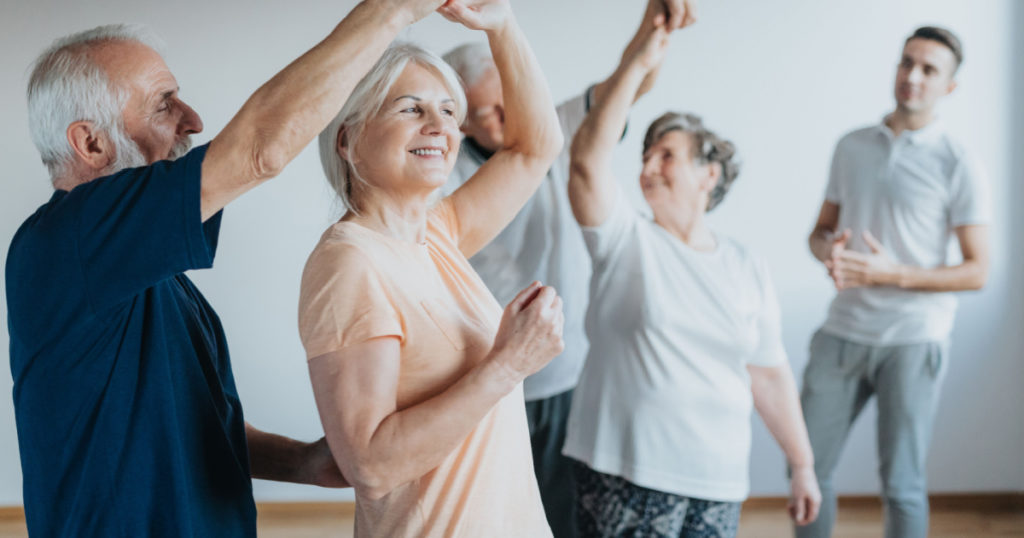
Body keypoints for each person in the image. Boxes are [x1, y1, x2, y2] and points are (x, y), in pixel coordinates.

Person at [5, 0, 453, 535]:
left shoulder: (148, 275)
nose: (193, 120)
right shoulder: (68, 242)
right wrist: (393, 10)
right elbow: (260, 150)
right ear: (91, 143)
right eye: (164, 105)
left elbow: (196, 424)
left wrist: (303, 462)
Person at [297, 1, 565, 536]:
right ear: (347, 140)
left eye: (447, 111)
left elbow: (536, 148)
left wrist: (502, 24)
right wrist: (509, 364)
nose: (439, 126)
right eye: (411, 109)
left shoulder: (436, 233)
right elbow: (370, 467)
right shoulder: (350, 263)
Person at [563, 13, 821, 538]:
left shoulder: (746, 264)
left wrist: (802, 464)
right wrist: (639, 62)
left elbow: (769, 375)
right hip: (626, 475)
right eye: (645, 156)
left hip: (718, 482)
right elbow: (587, 162)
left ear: (709, 175)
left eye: (667, 155)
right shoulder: (624, 238)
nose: (648, 167)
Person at [439, 2, 691, 534]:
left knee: (562, 511)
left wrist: (653, 26)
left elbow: (624, 87)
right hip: (486, 373)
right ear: (459, 119)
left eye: (503, 103)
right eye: (481, 113)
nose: (498, 118)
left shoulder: (553, 128)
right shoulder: (444, 173)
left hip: (565, 368)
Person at [799, 26, 990, 538]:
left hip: (913, 339)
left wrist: (893, 275)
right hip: (842, 332)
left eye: (929, 69)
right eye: (907, 62)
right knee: (807, 471)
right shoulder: (851, 145)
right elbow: (818, 233)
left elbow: (977, 270)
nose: (913, 76)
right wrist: (829, 251)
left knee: (903, 485)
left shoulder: (958, 161)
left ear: (949, 86)